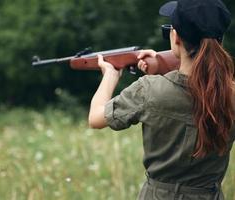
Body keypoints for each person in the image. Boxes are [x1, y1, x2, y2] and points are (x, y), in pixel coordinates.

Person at [88, 0, 235, 199]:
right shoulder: (230, 94)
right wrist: (161, 64)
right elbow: (197, 83)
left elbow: (95, 118)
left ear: (175, 38)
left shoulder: (149, 90)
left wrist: (110, 75)